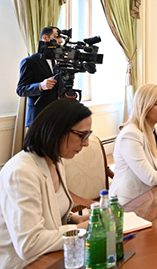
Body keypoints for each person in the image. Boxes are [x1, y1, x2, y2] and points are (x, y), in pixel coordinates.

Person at [0, 99, 91, 268]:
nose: (86, 143)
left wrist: (74, 219)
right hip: (27, 264)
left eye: (88, 135)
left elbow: (52, 213)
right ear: (58, 130)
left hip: (53, 257)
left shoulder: (56, 161)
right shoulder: (21, 172)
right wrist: (81, 230)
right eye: (82, 135)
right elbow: (29, 244)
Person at [16, 27, 64, 127]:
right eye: (56, 36)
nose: (60, 40)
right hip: (38, 118)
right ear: (45, 38)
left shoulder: (60, 61)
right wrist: (41, 86)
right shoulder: (29, 61)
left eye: (61, 37)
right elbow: (20, 90)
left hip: (58, 117)